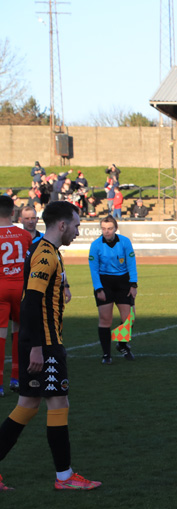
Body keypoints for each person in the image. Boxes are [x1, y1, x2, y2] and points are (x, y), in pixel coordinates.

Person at [0, 201, 101, 492]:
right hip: (45, 343)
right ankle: (65, 477)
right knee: (58, 403)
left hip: (40, 341)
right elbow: (31, 301)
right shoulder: (45, 254)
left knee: (27, 406)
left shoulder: (45, 249)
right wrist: (36, 347)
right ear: (62, 225)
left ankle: (64, 476)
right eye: (76, 225)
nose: (78, 231)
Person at [89, 217, 138, 364]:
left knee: (129, 318)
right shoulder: (96, 245)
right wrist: (98, 288)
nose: (107, 231)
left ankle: (122, 345)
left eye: (110, 228)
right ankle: (106, 355)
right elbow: (94, 269)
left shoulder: (125, 242)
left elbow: (131, 263)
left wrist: (133, 285)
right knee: (105, 319)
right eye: (104, 228)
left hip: (123, 282)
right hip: (105, 283)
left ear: (115, 228)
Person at [0, 196, 34, 397]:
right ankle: (16, 377)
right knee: (20, 332)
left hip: (1, 287)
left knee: (0, 335)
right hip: (21, 288)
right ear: (13, 212)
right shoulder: (24, 235)